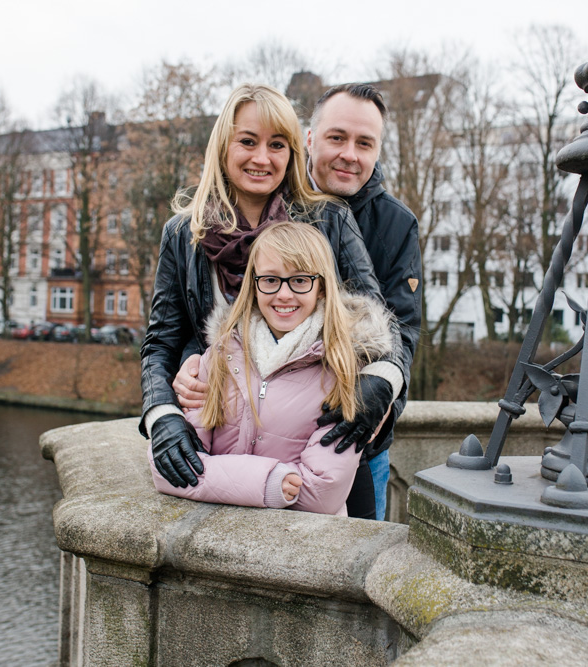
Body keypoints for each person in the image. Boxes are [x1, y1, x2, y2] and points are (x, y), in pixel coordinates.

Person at [142, 83, 405, 512]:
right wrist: (162, 416)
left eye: (277, 144)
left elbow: (378, 328)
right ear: (224, 146)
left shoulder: (330, 220)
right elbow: (160, 344)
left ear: (292, 152)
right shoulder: (182, 233)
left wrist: (383, 382)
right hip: (221, 460)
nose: (262, 158)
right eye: (247, 141)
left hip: (317, 449)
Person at [147, 223, 395, 514]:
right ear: (254, 284)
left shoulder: (347, 370)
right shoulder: (221, 354)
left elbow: (321, 494)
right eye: (270, 280)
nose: (284, 294)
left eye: (300, 280)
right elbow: (170, 470)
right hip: (218, 542)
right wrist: (270, 483)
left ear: (322, 286)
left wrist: (217, 478)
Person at [306, 83, 422, 521]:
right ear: (310, 138)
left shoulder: (397, 223)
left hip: (358, 440)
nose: (350, 154)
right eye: (337, 138)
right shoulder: (275, 198)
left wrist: (385, 386)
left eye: (364, 143)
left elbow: (403, 328)